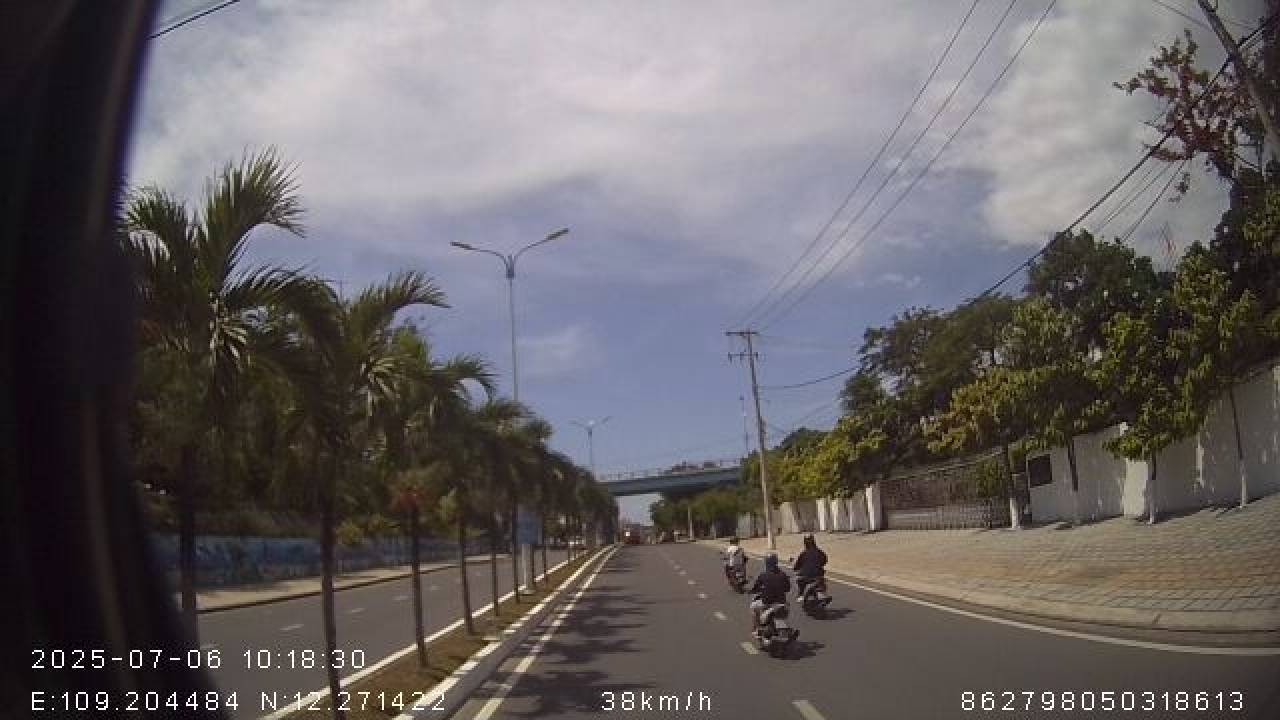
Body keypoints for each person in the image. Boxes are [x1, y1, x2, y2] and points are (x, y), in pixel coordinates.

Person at [748, 552, 791, 635]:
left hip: (767, 603)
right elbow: (787, 588)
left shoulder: (763, 575)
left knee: (753, 607)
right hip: (782, 602)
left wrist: (752, 591)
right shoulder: (783, 574)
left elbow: (756, 588)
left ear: (766, 563)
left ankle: (756, 629)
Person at [792, 533, 828, 602]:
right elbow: (825, 561)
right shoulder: (819, 552)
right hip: (817, 576)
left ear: (805, 542)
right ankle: (821, 592)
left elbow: (797, 566)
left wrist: (796, 568)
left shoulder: (803, 554)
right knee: (821, 579)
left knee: (799, 580)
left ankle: (801, 594)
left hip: (806, 577)